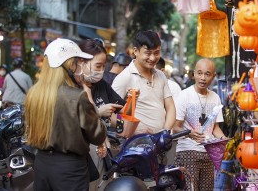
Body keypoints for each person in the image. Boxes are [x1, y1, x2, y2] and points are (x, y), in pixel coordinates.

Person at [24, 38, 107, 191]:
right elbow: (98, 135)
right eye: (78, 61)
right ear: (70, 65)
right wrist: (89, 97)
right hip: (69, 170)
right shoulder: (77, 96)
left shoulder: (33, 94)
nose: (80, 65)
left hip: (41, 164)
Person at [78, 39, 126, 191]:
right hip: (81, 152)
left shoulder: (102, 85)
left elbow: (117, 116)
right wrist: (98, 112)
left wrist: (124, 127)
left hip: (103, 149)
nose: (101, 70)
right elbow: (73, 121)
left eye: (103, 66)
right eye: (97, 66)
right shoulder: (72, 88)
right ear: (82, 62)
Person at [173, 58, 226, 191]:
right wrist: (189, 134)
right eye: (200, 73)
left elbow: (215, 128)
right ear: (194, 74)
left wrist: (224, 141)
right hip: (187, 152)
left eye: (207, 74)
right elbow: (175, 126)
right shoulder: (184, 95)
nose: (203, 78)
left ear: (213, 76)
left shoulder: (215, 97)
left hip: (208, 153)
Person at [112, 30, 176, 134]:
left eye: (156, 53)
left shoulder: (161, 76)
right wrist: (130, 128)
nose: (152, 58)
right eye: (148, 53)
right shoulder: (124, 77)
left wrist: (165, 131)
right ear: (136, 51)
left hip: (159, 143)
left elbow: (170, 107)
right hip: (134, 144)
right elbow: (110, 113)